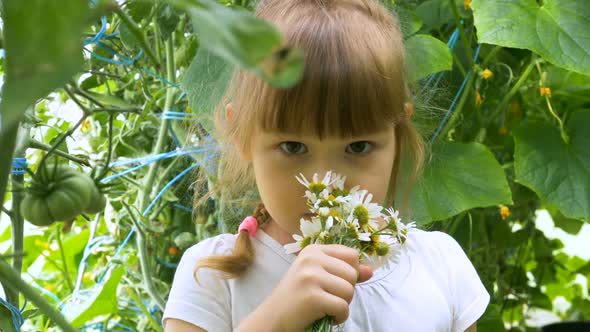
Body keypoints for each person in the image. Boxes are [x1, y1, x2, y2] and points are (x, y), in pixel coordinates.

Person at [163, 0, 490, 331]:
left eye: (358, 147)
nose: (326, 182)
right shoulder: (212, 277)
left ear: (397, 133)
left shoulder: (439, 265)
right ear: (242, 135)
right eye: (293, 147)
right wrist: (275, 320)